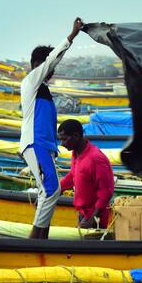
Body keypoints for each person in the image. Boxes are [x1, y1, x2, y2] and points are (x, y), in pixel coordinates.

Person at [20, 17, 84, 238]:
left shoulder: (43, 89)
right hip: (35, 144)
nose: (52, 70)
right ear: (38, 65)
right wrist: (72, 36)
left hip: (45, 147)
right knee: (52, 190)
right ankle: (34, 241)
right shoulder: (30, 82)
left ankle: (41, 240)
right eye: (48, 65)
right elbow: (51, 61)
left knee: (45, 193)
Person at [57, 119, 115, 229]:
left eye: (64, 139)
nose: (62, 144)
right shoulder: (76, 153)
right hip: (83, 213)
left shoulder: (96, 158)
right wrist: (52, 193)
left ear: (76, 135)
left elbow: (106, 192)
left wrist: (92, 218)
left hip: (95, 218)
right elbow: (72, 175)